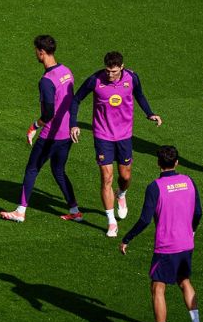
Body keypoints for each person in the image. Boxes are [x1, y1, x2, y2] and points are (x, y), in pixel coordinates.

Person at [69, 52, 162, 237]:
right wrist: (73, 124)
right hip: (102, 135)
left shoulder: (132, 78)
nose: (109, 75)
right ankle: (111, 221)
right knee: (106, 177)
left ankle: (121, 194)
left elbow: (140, 95)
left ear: (121, 67)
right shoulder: (95, 80)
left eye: (113, 71)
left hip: (124, 135)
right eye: (107, 71)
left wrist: (149, 113)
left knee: (125, 176)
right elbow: (76, 99)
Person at [119, 145, 203, 322]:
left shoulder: (155, 187)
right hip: (186, 243)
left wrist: (127, 238)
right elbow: (198, 212)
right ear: (177, 162)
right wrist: (191, 230)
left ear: (158, 163)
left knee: (158, 287)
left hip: (167, 247)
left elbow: (145, 220)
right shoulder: (188, 181)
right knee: (184, 281)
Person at [0, 35, 81, 223]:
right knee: (58, 170)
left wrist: (34, 126)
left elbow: (48, 113)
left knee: (32, 169)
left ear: (41, 52)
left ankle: (20, 211)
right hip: (66, 134)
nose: (35, 54)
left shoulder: (46, 80)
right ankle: (75, 210)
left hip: (50, 135)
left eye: (36, 51)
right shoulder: (66, 71)